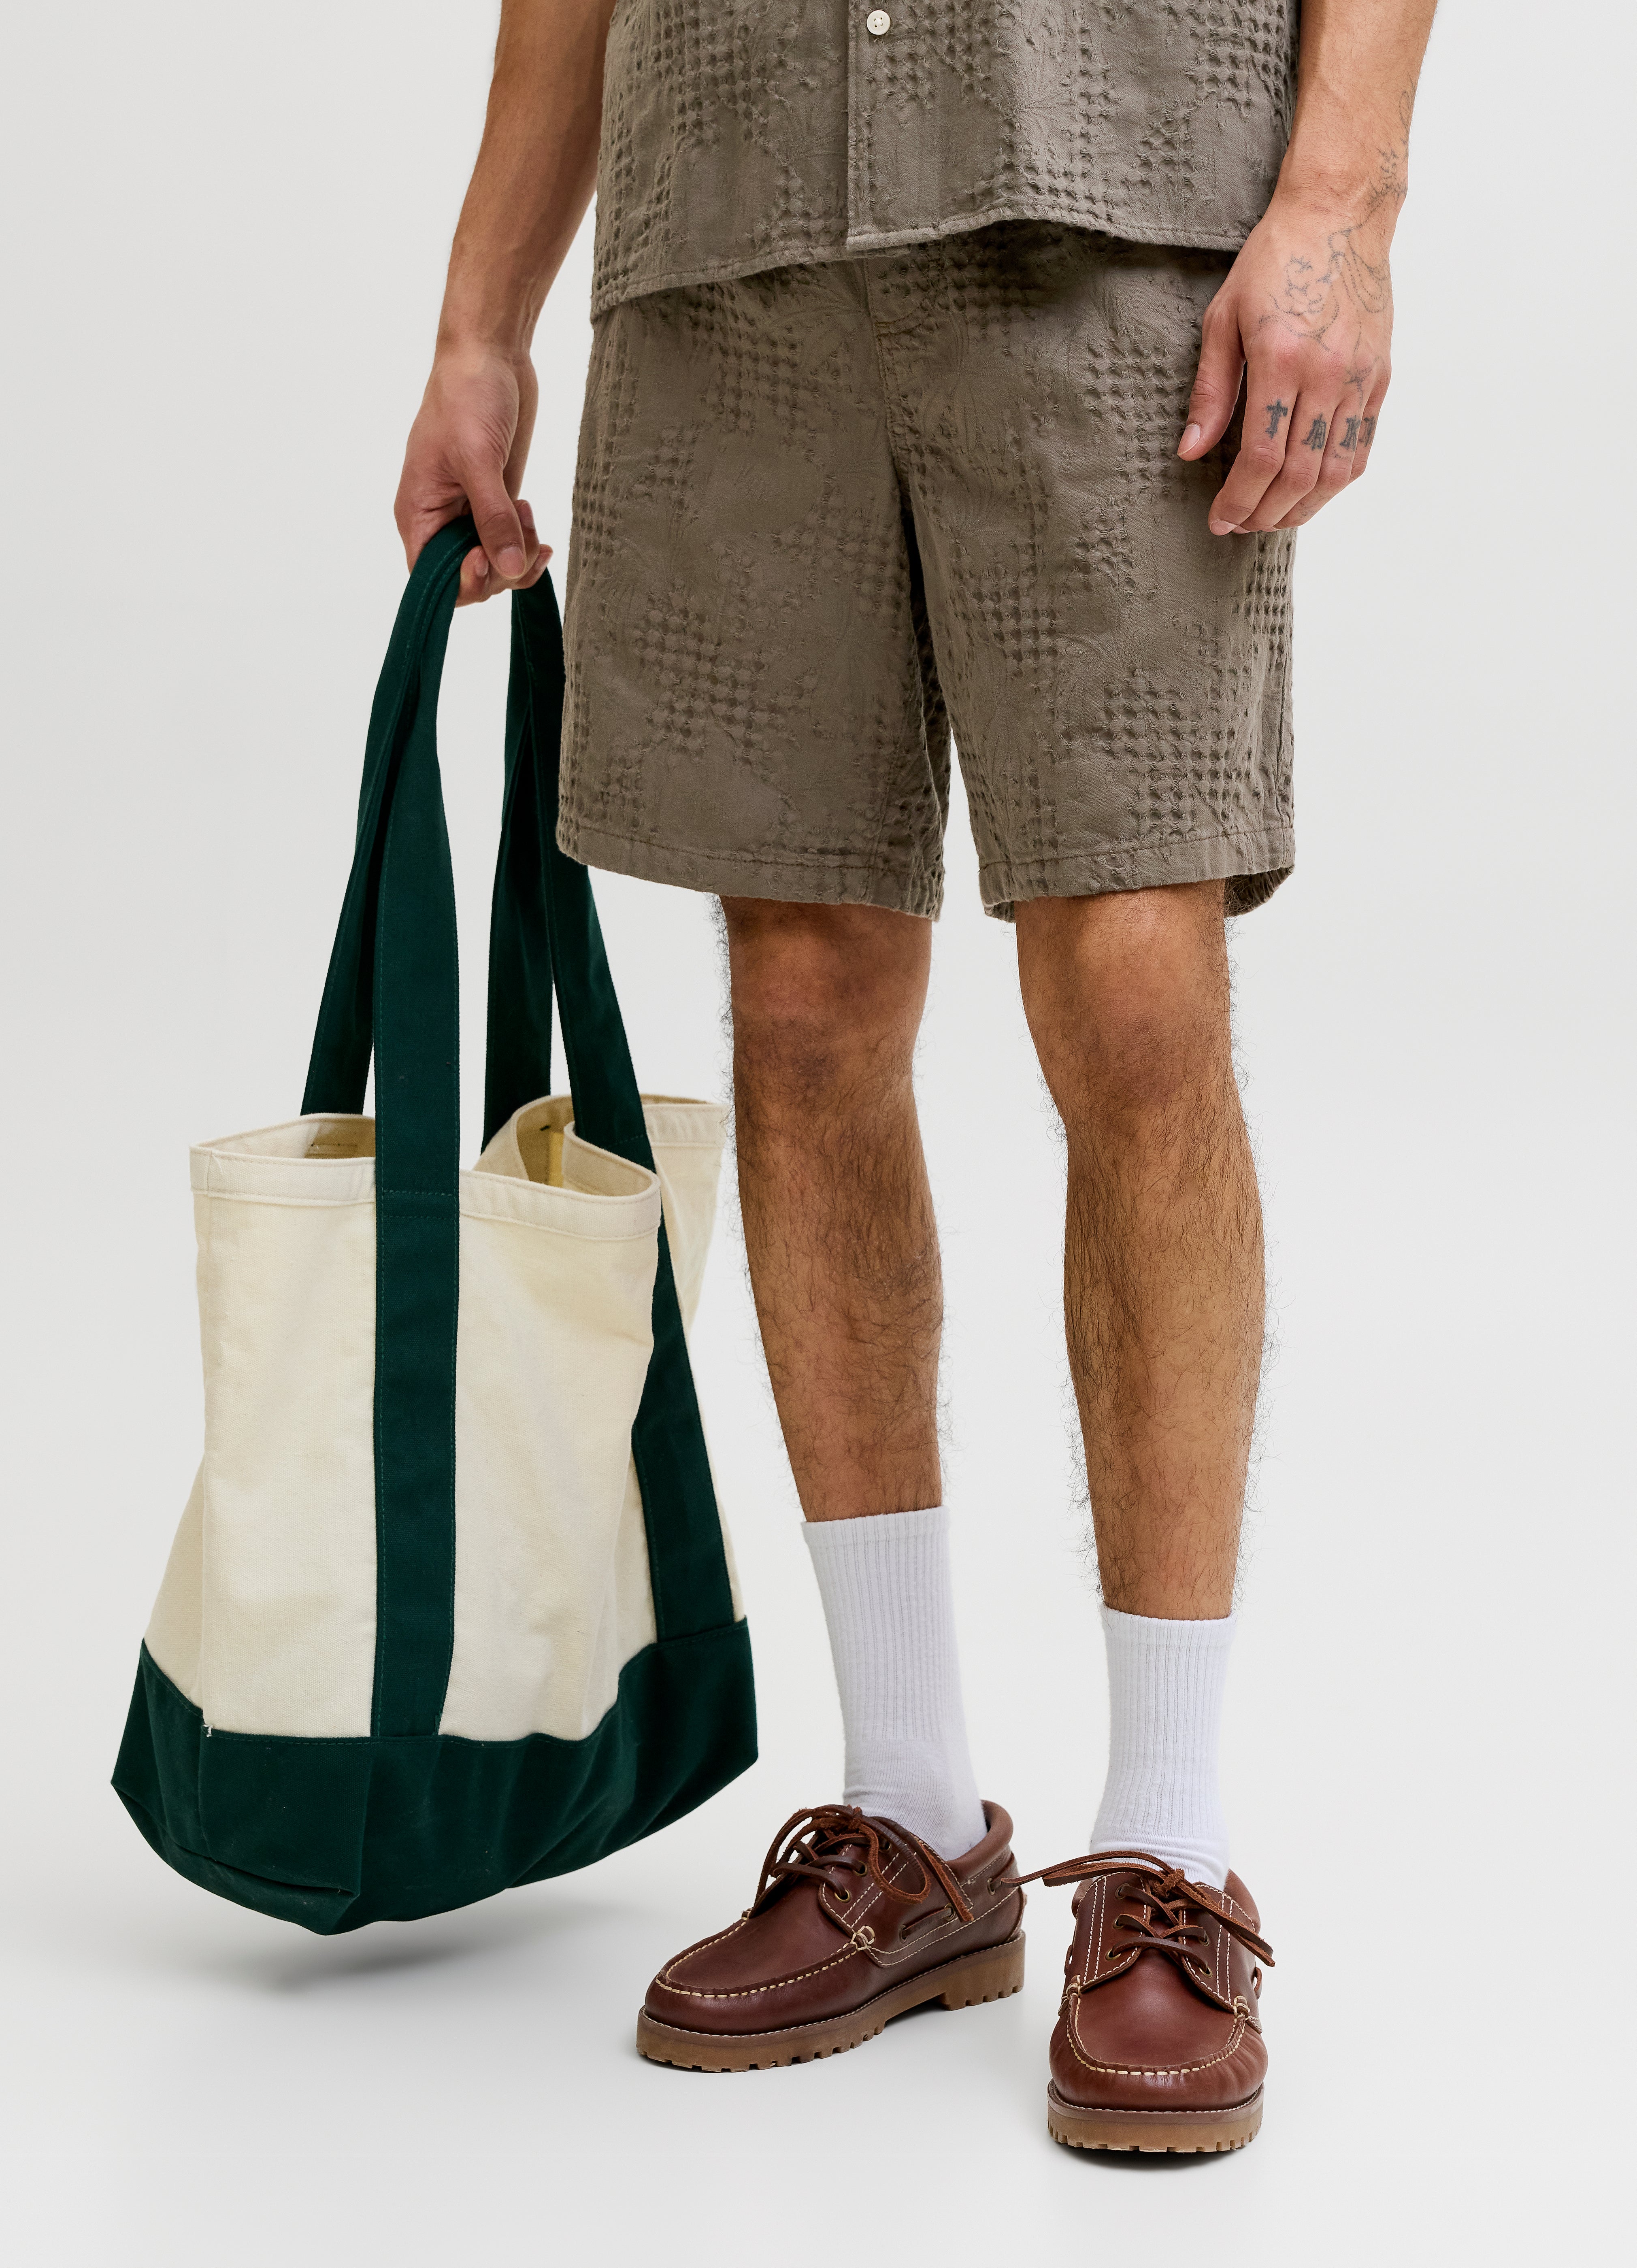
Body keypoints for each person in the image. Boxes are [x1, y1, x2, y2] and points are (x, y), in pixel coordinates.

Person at [395, 0, 1435, 2151]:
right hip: (734, 226)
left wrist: (1343, 198)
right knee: (799, 999)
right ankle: (912, 1814)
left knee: (1135, 986)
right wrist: (480, 321)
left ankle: (1171, 1844)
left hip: (1112, 204)